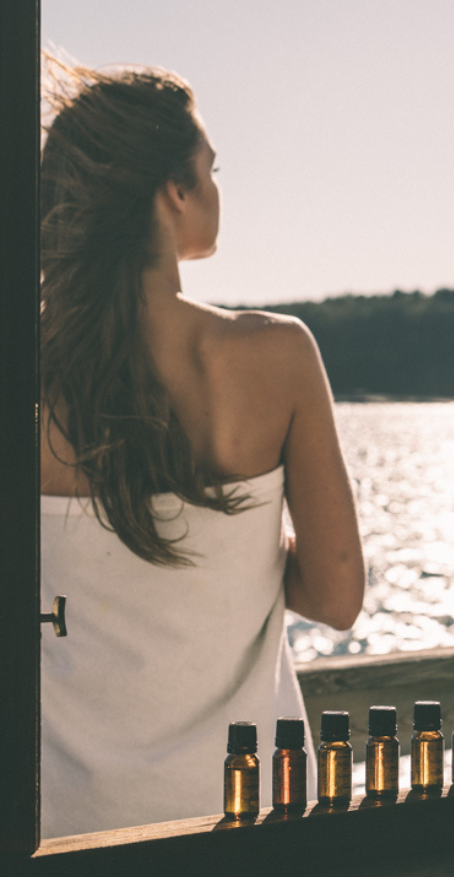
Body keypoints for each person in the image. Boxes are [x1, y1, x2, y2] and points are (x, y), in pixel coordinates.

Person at [38, 60, 366, 838]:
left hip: (67, 830)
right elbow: (337, 595)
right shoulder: (275, 355)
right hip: (253, 824)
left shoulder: (29, 375)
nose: (217, 189)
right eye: (210, 169)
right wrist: (240, 547)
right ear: (172, 191)